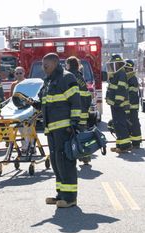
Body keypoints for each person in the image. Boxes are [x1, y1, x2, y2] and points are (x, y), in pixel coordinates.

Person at [26, 53, 81, 208]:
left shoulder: (67, 78)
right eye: (43, 66)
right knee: (57, 163)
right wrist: (33, 103)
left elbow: (76, 102)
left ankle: (70, 198)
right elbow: (45, 103)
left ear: (55, 63)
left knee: (66, 162)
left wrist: (74, 124)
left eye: (46, 66)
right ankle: (61, 195)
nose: (43, 69)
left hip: (64, 129)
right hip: (51, 129)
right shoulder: (48, 82)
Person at [66, 56, 93, 165]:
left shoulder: (67, 76)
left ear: (68, 65)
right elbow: (87, 96)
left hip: (71, 112)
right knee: (83, 134)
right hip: (83, 112)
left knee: (69, 135)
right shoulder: (80, 77)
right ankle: (86, 157)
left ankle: (71, 156)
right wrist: (85, 108)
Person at [105, 54, 132, 153]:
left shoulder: (121, 73)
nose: (112, 68)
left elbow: (121, 89)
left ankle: (125, 146)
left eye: (113, 65)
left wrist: (117, 102)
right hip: (115, 104)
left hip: (119, 104)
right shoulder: (117, 74)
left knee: (120, 125)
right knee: (117, 125)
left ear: (118, 64)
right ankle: (120, 145)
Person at [125, 59, 142, 149]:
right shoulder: (131, 78)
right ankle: (135, 141)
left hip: (131, 105)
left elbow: (131, 94)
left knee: (133, 122)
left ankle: (136, 142)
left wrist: (127, 104)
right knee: (133, 122)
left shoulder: (131, 79)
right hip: (132, 105)